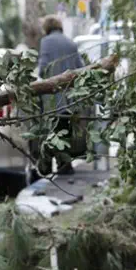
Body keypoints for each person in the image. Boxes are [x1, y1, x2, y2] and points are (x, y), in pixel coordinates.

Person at [36, 15, 87, 175]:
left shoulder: (46, 42)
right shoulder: (71, 43)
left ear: (47, 28)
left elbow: (43, 68)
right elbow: (81, 67)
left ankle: (50, 166)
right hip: (70, 97)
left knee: (51, 130)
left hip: (52, 96)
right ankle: (65, 164)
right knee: (65, 129)